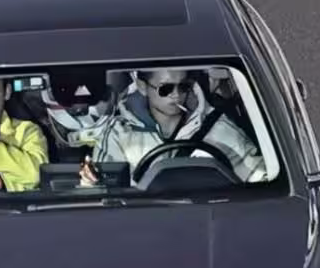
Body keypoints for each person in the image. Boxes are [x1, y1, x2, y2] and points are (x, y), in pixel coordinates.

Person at [80, 68, 266, 186]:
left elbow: (259, 177)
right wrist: (91, 180)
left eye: (183, 87)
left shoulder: (217, 127)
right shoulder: (119, 133)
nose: (176, 95)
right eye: (166, 89)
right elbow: (104, 192)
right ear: (142, 87)